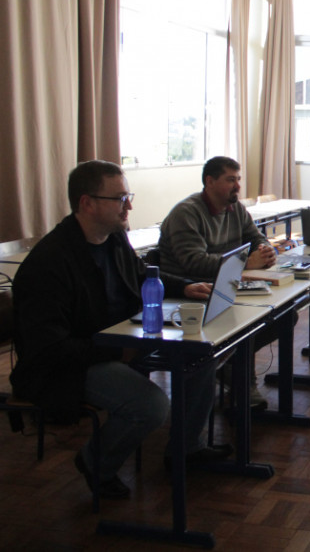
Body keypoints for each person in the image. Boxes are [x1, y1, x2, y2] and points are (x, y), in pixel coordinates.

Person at [9, 160, 226, 501]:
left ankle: (185, 449)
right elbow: (50, 350)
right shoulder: (49, 263)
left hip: (121, 342)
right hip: (74, 364)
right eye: (121, 198)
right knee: (151, 405)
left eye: (129, 196)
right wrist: (118, 351)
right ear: (87, 203)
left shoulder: (112, 239)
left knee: (201, 358)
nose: (130, 206)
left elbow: (141, 276)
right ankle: (95, 462)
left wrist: (185, 287)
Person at [158, 156, 279, 409]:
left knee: (283, 316)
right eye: (230, 180)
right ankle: (239, 381)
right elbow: (194, 263)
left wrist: (266, 250)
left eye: (238, 180)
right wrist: (246, 264)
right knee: (246, 325)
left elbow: (256, 238)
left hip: (224, 287)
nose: (237, 186)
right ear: (209, 181)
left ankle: (232, 368)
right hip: (188, 292)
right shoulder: (186, 213)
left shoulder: (236, 209)